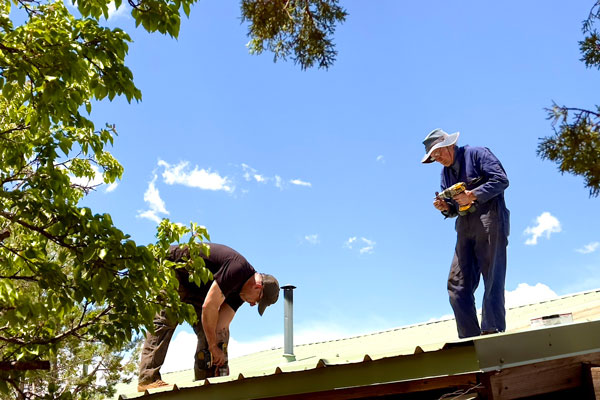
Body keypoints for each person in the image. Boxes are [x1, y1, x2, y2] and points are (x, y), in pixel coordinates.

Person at [137, 243, 280, 391]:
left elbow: (221, 326)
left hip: (198, 288)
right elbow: (209, 307)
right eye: (257, 301)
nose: (252, 305)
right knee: (167, 318)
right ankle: (148, 379)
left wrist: (221, 358)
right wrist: (212, 346)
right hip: (174, 268)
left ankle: (207, 383)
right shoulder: (238, 269)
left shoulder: (242, 294)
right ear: (258, 287)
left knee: (211, 334)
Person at [421, 128, 510, 339]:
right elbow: (454, 208)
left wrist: (474, 195)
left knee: (492, 277)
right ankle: (470, 339)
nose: (438, 158)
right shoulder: (445, 173)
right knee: (457, 285)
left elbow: (501, 180)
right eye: (433, 156)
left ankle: (492, 330)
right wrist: (445, 207)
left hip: (490, 220)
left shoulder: (478, 153)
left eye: (438, 152)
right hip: (464, 227)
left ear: (449, 145)